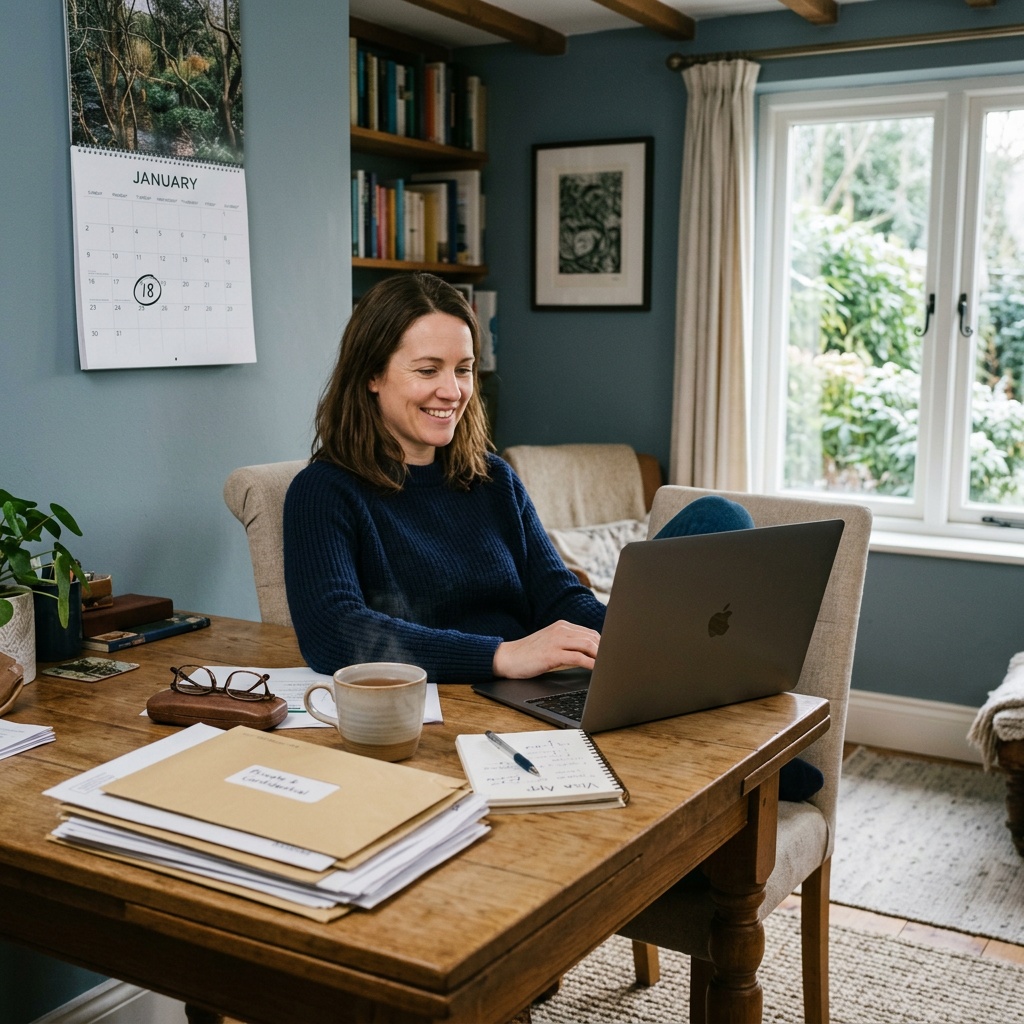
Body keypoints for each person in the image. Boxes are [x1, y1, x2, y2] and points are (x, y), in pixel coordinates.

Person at [283, 272, 820, 799]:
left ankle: (705, 717)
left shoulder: (491, 479)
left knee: (716, 518)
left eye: (464, 369)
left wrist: (636, 647)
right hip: (466, 697)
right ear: (372, 375)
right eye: (428, 370)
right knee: (704, 723)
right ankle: (746, 762)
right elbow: (334, 631)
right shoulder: (325, 491)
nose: (453, 391)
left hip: (542, 682)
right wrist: (503, 655)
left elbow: (556, 593)